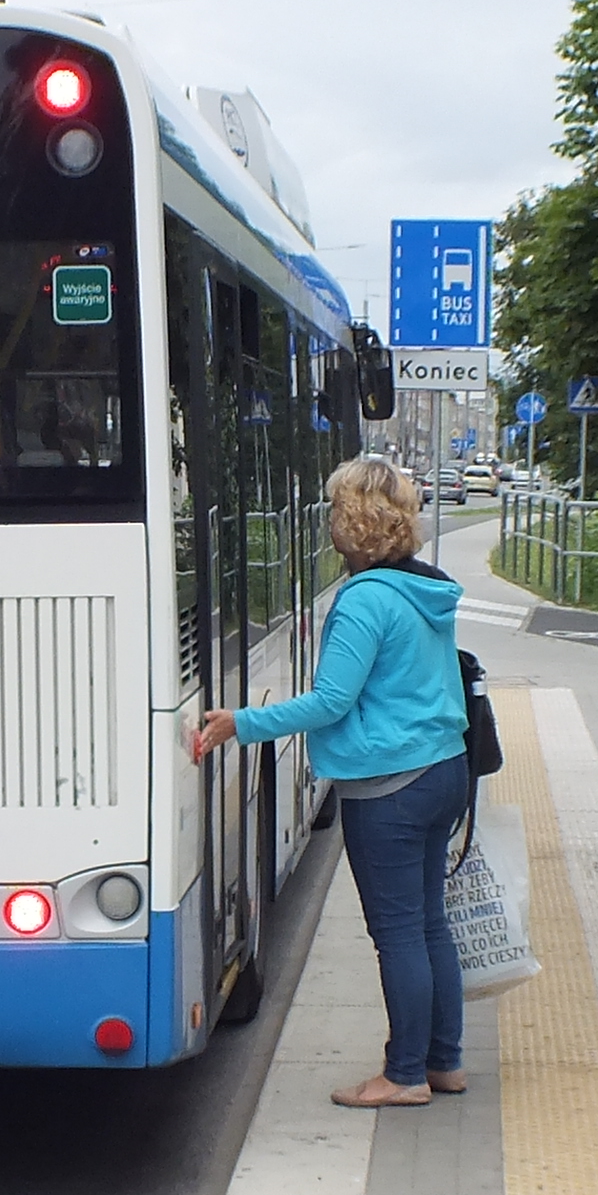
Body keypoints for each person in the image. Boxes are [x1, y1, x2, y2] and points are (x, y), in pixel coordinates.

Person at [193, 456, 472, 1109]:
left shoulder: (365, 601)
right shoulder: (423, 587)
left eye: (332, 511)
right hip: (443, 769)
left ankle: (404, 1075)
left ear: (350, 521)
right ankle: (444, 1062)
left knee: (398, 932)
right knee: (430, 923)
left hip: (391, 786)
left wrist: (241, 722)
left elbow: (330, 703)